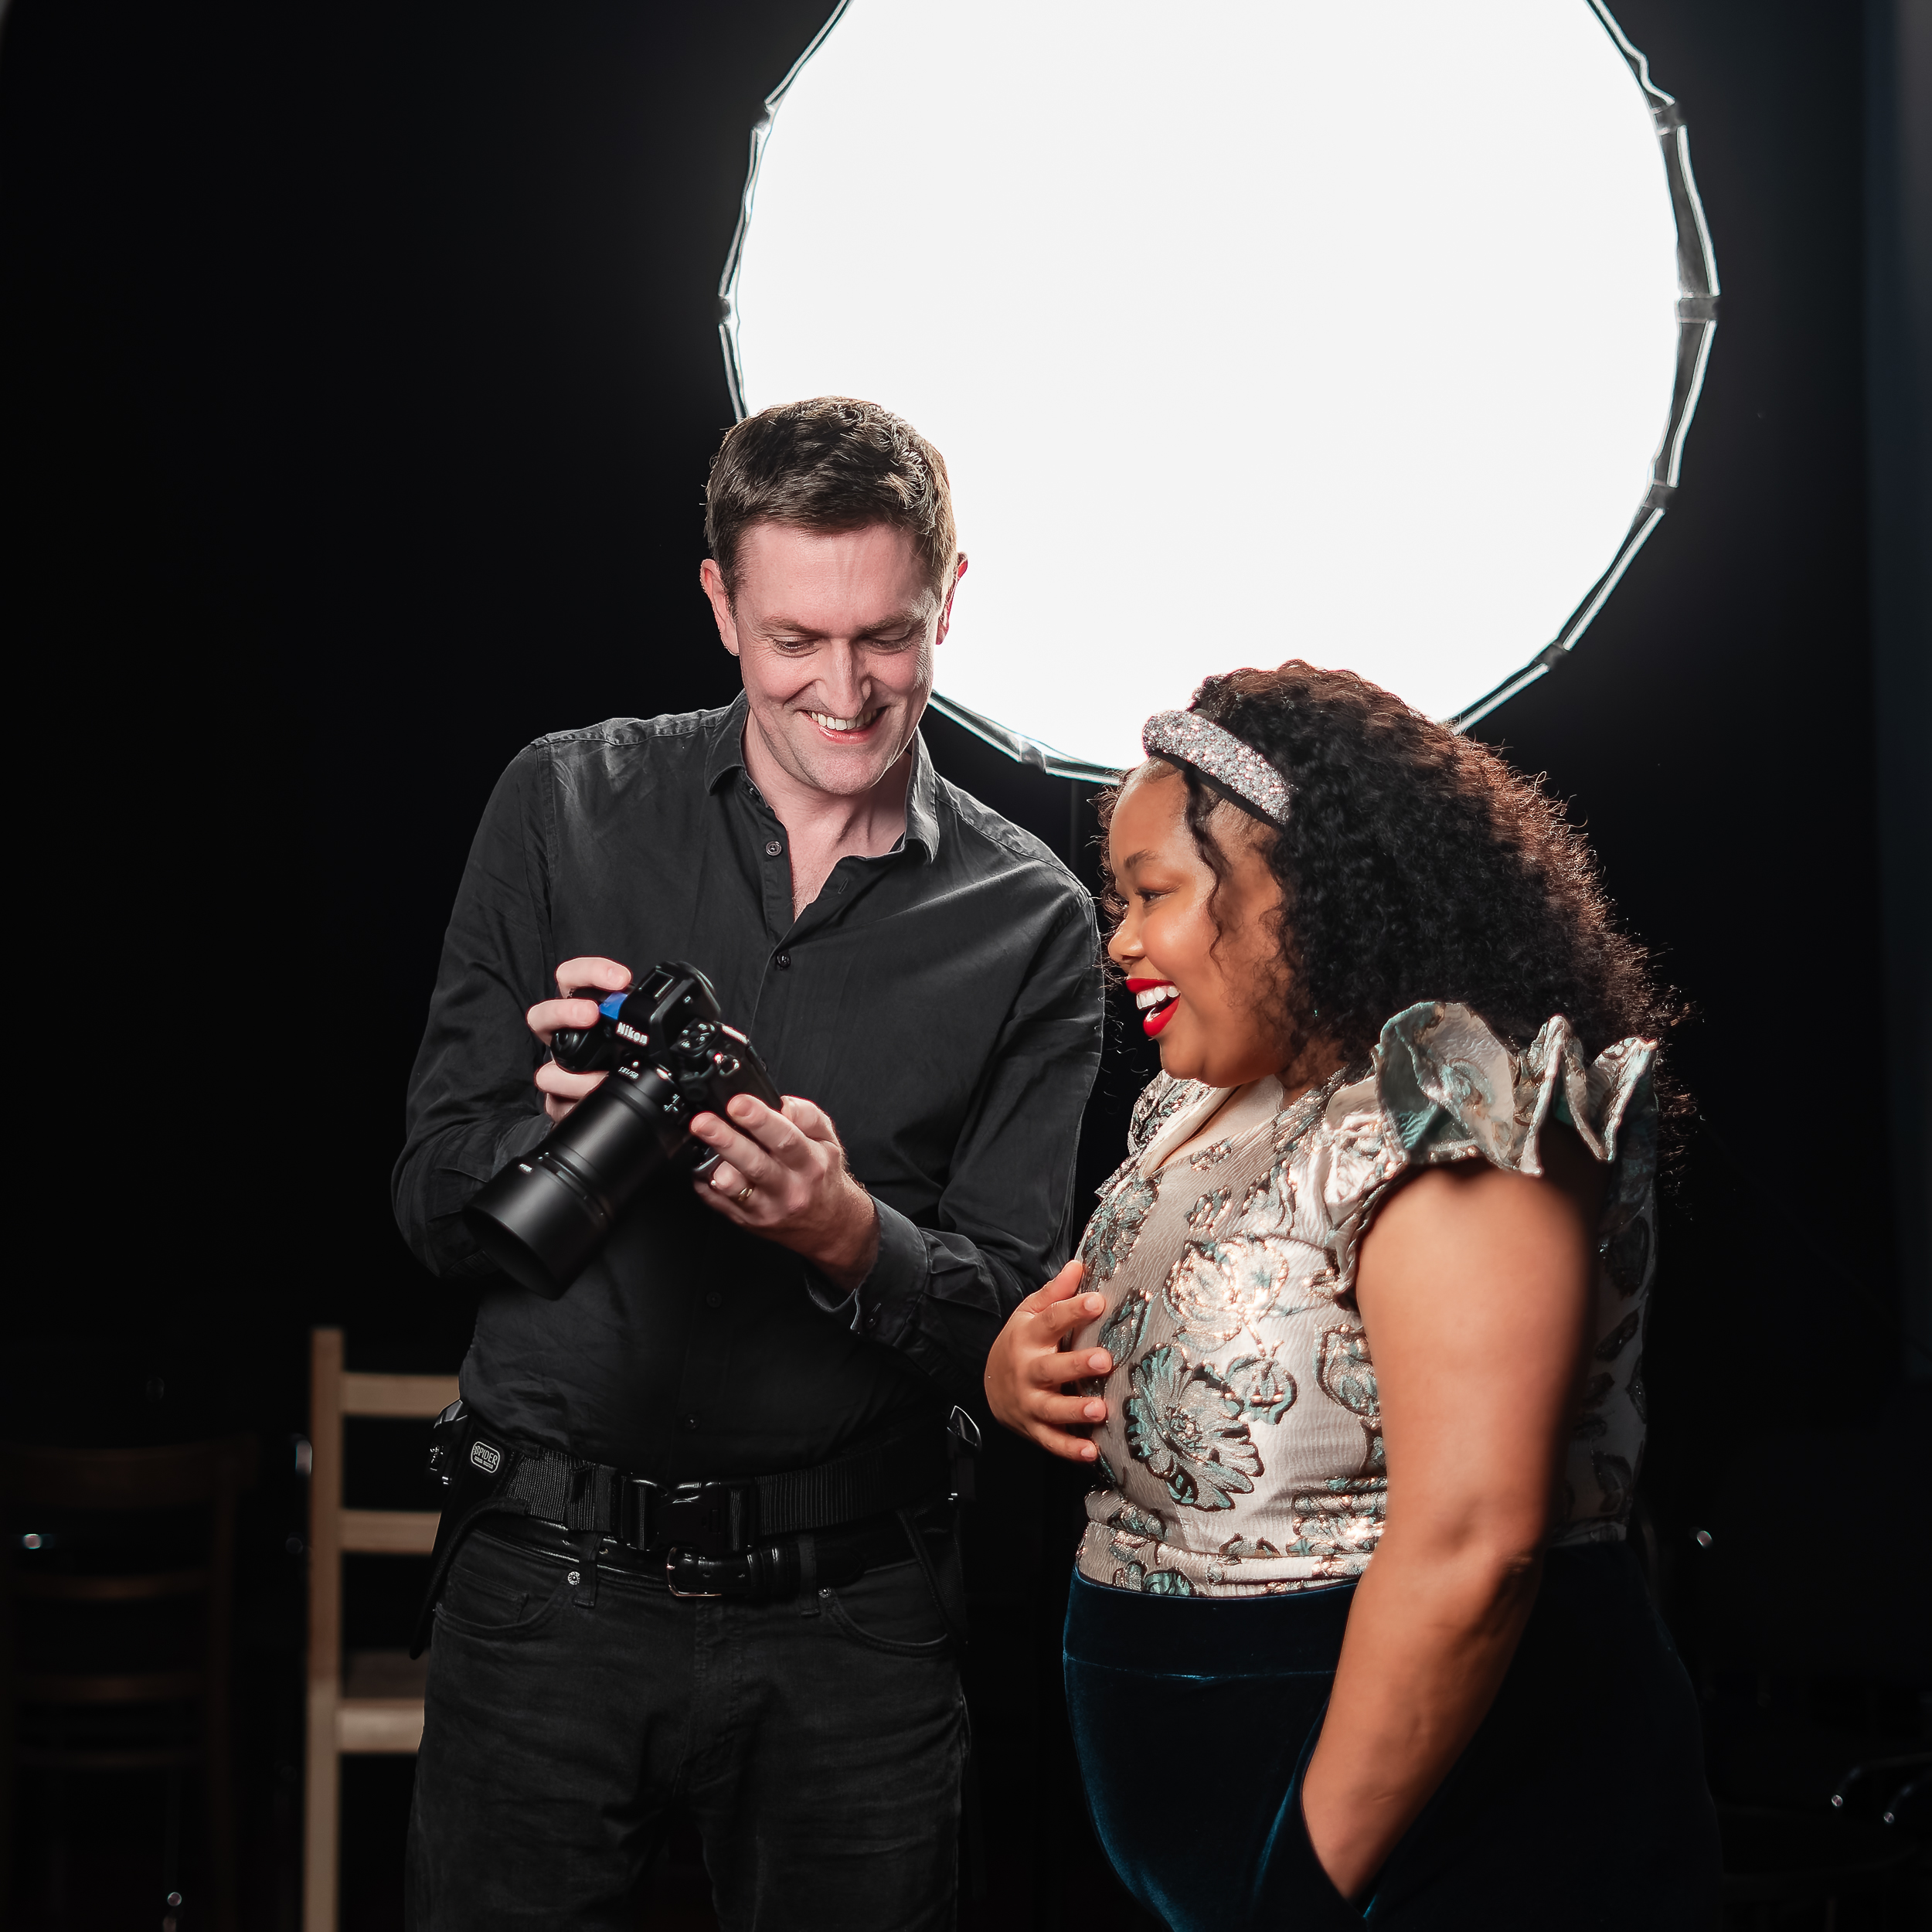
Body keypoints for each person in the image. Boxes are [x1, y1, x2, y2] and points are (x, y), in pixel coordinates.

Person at [393, 397, 1103, 1931]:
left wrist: (846, 1233)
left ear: (949, 597)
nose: (844, 690)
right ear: (719, 603)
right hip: (546, 1593)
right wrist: (562, 1118)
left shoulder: (1036, 918)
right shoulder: (560, 803)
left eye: (887, 636)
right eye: (794, 638)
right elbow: (434, 1197)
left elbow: (1009, 1326)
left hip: (852, 1613)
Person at [985, 664, 1722, 1927]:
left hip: (1436, 1847)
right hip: (1231, 1852)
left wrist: (1298, 1891)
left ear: (1294, 885)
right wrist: (1017, 1368)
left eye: (1155, 892)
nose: (1120, 938)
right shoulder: (1201, 1107)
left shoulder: (1458, 1108)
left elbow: (1477, 1544)